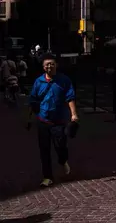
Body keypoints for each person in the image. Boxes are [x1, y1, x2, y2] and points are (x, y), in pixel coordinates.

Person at [28, 53, 78, 187]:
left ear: (56, 65)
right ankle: (47, 177)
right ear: (43, 67)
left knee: (60, 146)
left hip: (59, 121)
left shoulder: (64, 80)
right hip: (43, 120)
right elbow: (33, 99)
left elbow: (70, 97)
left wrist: (73, 114)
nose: (49, 66)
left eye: (52, 63)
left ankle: (63, 161)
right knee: (44, 150)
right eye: (46, 64)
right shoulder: (38, 81)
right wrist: (32, 115)